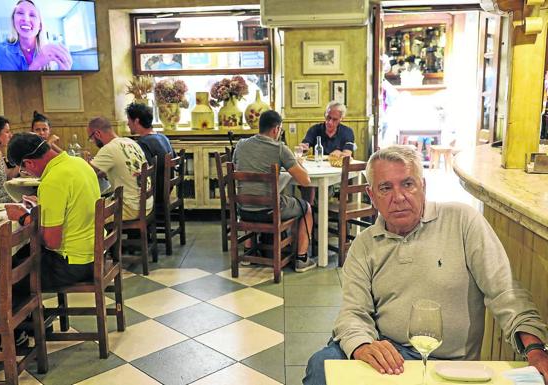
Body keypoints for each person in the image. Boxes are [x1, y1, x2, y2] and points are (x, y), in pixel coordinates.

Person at [303, 145, 548, 385]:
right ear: (371, 196)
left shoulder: (462, 221)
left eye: (408, 184)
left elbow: (505, 291)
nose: (398, 197)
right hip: (388, 354)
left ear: (424, 186)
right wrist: (363, 345)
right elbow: (352, 312)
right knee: (320, 364)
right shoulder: (364, 245)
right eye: (385, 188)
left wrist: (535, 348)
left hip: (448, 363)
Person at [5, 133, 99, 288]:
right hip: (94, 253)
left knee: (1, 280)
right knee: (20, 257)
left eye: (24, 169)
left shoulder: (52, 181)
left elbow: (52, 242)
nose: (27, 173)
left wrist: (23, 217)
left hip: (72, 264)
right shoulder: (79, 162)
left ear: (29, 163)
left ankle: (30, 311)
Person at [233, 110, 316, 273]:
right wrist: (297, 163)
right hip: (269, 212)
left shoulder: (241, 144)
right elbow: (305, 181)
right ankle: (301, 259)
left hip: (243, 210)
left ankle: (249, 251)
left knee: (252, 196)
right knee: (307, 208)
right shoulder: (279, 149)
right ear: (276, 129)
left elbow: (239, 168)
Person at [86, 116, 153, 221]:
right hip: (147, 203)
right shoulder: (130, 142)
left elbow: (85, 173)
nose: (92, 142)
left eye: (91, 138)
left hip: (130, 208)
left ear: (97, 134)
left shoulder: (108, 149)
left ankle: (107, 237)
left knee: (86, 216)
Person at [0, 0, 72, 71]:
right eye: (20, 13)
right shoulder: (3, 50)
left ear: (40, 26)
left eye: (32, 15)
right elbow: (10, 85)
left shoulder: (51, 51)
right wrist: (37, 63)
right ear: (13, 21)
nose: (26, 19)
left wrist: (64, 73)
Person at [126, 102, 174, 208]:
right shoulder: (163, 137)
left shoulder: (142, 143)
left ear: (136, 121)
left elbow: (140, 172)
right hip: (166, 191)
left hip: (154, 195)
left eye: (129, 119)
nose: (127, 124)